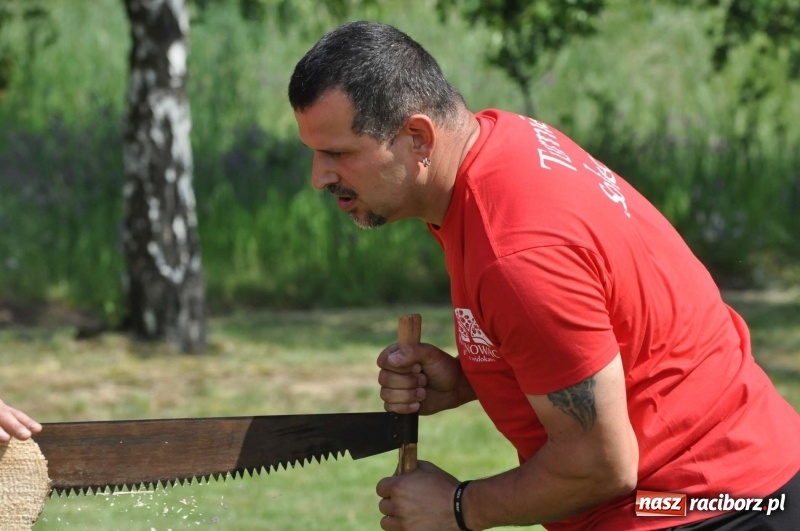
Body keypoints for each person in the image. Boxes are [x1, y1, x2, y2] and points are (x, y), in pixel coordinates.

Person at [288, 21, 800, 531]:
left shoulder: (517, 253)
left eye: (339, 153)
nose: (319, 177)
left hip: (701, 506)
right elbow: (597, 326)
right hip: (742, 481)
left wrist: (459, 506)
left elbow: (602, 464)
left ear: (418, 138)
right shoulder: (504, 144)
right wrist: (471, 378)